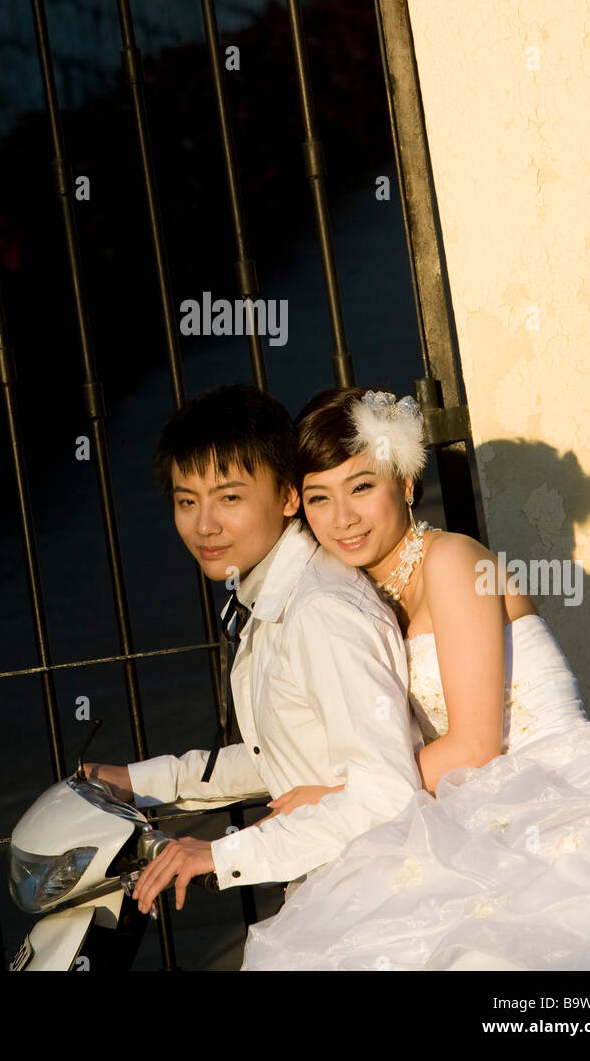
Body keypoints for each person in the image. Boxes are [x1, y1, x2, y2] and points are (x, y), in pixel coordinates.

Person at [240, 386, 590, 971]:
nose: (342, 519)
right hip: (469, 802)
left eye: (362, 487)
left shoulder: (455, 562)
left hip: (552, 786)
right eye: (320, 498)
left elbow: (475, 745)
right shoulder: (362, 597)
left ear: (407, 483)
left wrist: (344, 796)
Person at [84, 382, 424, 916]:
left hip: (379, 898)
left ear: (289, 496)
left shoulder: (319, 613)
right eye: (186, 502)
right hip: (336, 885)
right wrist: (141, 782)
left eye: (230, 498)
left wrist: (223, 854)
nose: (204, 526)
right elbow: (287, 752)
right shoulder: (274, 595)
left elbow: (387, 796)